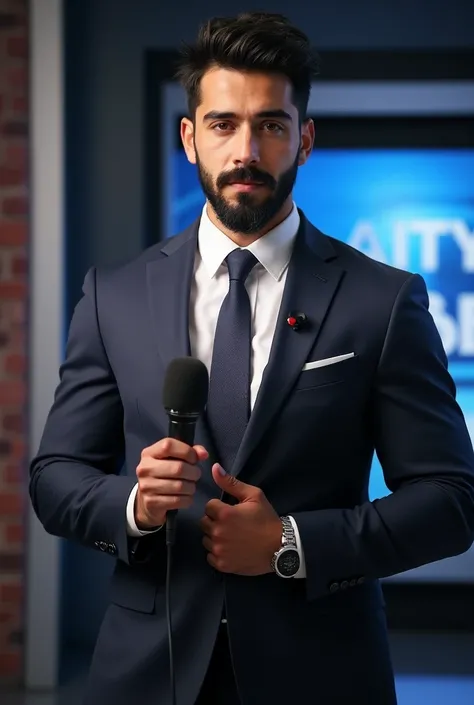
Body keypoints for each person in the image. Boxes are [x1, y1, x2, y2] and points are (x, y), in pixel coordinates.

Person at [29, 11, 474, 705]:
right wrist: (138, 505)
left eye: (271, 125)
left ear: (305, 140)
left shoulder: (383, 301)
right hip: (146, 673)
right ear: (190, 138)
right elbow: (55, 478)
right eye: (223, 124)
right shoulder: (112, 294)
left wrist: (289, 542)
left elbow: (450, 500)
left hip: (324, 672)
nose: (246, 150)